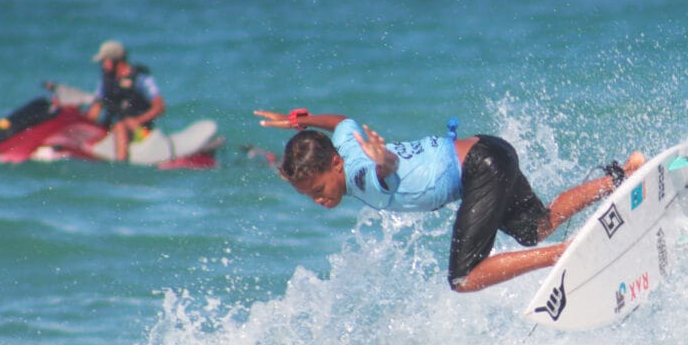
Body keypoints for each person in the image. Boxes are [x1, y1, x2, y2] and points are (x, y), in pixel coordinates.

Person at [254, 108, 645, 293]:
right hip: (491, 151)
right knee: (534, 227)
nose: (320, 201)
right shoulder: (344, 146)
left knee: (463, 278)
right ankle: (621, 176)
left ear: (335, 165)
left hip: (479, 168)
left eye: (319, 190)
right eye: (311, 198)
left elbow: (382, 170)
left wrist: (384, 160)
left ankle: (568, 252)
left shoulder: (360, 174)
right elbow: (340, 122)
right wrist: (305, 121)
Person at [85, 40, 165, 162]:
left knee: (120, 125)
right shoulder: (105, 82)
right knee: (117, 125)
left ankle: (120, 164)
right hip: (110, 128)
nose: (102, 65)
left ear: (114, 61)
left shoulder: (140, 79)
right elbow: (95, 110)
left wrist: (137, 120)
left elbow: (159, 107)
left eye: (104, 61)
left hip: (139, 130)